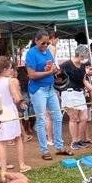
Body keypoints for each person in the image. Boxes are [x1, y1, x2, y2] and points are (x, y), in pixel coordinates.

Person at [25, 29, 73, 160]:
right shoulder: (31, 54)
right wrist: (48, 73)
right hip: (38, 89)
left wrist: (55, 70)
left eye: (47, 43)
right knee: (41, 120)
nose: (46, 45)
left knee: (58, 116)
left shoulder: (48, 52)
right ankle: (44, 150)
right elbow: (31, 75)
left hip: (50, 88)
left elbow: (53, 68)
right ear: (36, 41)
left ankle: (59, 147)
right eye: (43, 43)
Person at [0, 57, 31, 173]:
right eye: (11, 68)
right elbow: (17, 98)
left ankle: (3, 169)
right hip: (9, 111)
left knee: (2, 142)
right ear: (5, 69)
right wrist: (22, 101)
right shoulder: (11, 81)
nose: (12, 70)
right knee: (18, 139)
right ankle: (22, 165)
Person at [59, 44, 92, 150]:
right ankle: (74, 141)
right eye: (84, 56)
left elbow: (84, 80)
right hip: (69, 93)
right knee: (74, 118)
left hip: (80, 93)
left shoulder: (83, 66)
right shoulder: (66, 65)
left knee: (84, 117)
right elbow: (59, 80)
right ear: (80, 55)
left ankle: (79, 139)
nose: (85, 59)